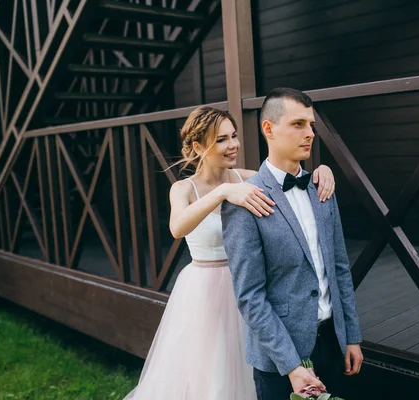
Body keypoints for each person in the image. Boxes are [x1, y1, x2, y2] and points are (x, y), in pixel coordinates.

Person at [123, 105, 338, 400]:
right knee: (214, 371)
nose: (233, 145)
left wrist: (321, 171)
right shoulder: (184, 189)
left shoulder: (245, 177)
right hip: (207, 291)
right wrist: (222, 193)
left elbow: (287, 176)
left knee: (255, 360)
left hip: (251, 284)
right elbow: (177, 227)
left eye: (234, 136)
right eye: (221, 139)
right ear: (199, 147)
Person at [221, 88, 364, 400]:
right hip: (279, 357)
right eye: (298, 124)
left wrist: (351, 336)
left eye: (311, 125)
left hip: (334, 345)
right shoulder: (245, 200)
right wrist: (291, 365)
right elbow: (250, 297)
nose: (310, 133)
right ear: (269, 129)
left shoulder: (322, 187)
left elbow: (340, 269)